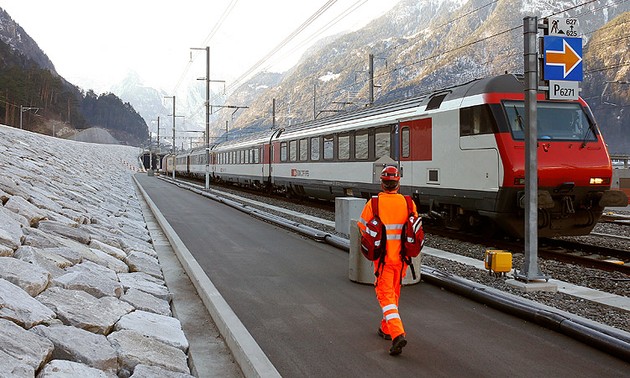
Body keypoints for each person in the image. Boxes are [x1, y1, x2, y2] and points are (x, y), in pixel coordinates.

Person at [358, 165, 418, 356]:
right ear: (398, 183)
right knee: (394, 294)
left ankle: (397, 333)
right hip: (402, 260)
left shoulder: (374, 203)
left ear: (382, 184)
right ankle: (385, 328)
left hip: (383, 261)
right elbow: (413, 229)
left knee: (385, 296)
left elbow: (363, 228)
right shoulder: (408, 203)